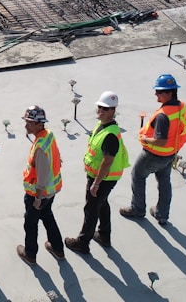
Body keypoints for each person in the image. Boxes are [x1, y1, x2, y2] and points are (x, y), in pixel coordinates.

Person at [121, 74, 186, 226]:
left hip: (154, 155)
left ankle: (137, 209)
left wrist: (145, 139)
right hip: (171, 153)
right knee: (164, 182)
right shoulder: (181, 107)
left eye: (159, 92)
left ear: (169, 93)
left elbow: (160, 141)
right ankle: (162, 214)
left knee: (138, 176)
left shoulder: (163, 116)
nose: (156, 94)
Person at [65, 91, 130, 254]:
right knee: (102, 204)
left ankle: (82, 242)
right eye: (100, 107)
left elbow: (107, 161)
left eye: (105, 109)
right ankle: (104, 235)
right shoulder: (102, 125)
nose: (101, 111)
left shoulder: (110, 135)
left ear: (113, 111)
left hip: (103, 178)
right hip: (100, 177)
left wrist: (96, 183)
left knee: (91, 208)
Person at [17, 106, 65, 265]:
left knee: (30, 223)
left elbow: (42, 176)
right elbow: (56, 154)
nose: (26, 126)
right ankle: (58, 248)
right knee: (47, 216)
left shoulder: (40, 147)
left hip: (38, 194)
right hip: (51, 191)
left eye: (29, 123)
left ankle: (30, 254)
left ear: (39, 124)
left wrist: (37, 198)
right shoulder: (48, 135)